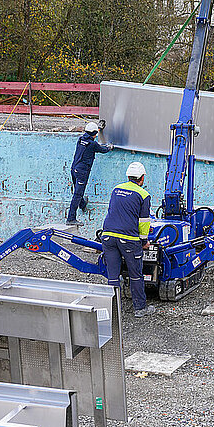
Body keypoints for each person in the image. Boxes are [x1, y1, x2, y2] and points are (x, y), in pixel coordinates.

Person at [100, 161, 155, 317]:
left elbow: (113, 211)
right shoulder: (143, 195)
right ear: (142, 178)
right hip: (128, 239)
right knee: (136, 274)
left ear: (128, 176)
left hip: (108, 236)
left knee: (113, 275)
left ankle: (113, 311)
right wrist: (144, 242)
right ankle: (140, 308)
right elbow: (144, 221)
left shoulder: (116, 189)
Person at [66, 121, 113, 224]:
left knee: (78, 191)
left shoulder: (81, 139)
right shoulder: (92, 144)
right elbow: (103, 149)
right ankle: (71, 219)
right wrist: (110, 147)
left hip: (74, 169)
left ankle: (82, 204)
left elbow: (90, 134)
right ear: (94, 133)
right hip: (82, 171)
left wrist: (98, 129)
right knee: (78, 194)